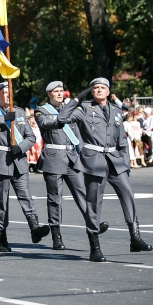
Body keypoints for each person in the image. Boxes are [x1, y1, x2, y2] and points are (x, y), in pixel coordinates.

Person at [58, 78, 152, 262]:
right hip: (94, 160)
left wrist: (125, 163)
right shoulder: (84, 108)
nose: (98, 90)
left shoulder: (116, 111)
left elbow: (122, 140)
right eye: (95, 88)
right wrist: (76, 99)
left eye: (102, 88)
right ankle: (95, 247)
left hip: (115, 161)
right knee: (94, 203)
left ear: (108, 92)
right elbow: (62, 118)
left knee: (128, 193)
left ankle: (135, 237)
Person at [34, 81, 108, 250]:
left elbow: (78, 133)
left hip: (72, 158)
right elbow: (52, 123)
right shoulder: (41, 110)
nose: (60, 94)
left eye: (61, 91)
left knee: (83, 194)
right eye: (56, 91)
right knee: (55, 199)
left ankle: (93, 223)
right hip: (53, 158)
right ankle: (56, 235)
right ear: (49, 94)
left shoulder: (72, 110)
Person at [0, 81, 49, 252]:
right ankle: (2, 237)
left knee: (26, 196)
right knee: (1, 201)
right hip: (1, 160)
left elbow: (30, 137)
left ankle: (35, 228)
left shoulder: (19, 112)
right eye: (4, 92)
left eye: (10, 92)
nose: (8, 95)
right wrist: (3, 118)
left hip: (18, 159)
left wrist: (22, 147)